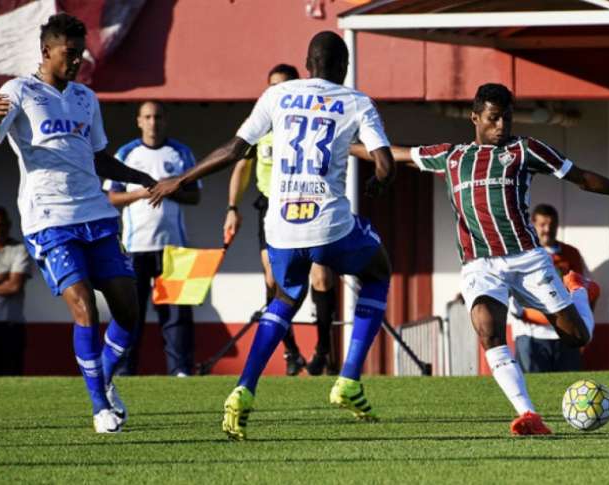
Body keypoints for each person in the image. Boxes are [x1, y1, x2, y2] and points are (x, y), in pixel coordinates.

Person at [351, 83, 609, 435]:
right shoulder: (452, 156)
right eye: (494, 118)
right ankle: (529, 415)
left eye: (507, 119)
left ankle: (579, 290)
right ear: (475, 118)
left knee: (577, 337)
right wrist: (344, 146)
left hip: (528, 259)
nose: (502, 126)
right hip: (480, 265)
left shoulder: (525, 150)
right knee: (487, 330)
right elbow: (395, 153)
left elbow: (582, 179)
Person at [149, 31, 396, 441]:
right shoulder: (356, 101)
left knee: (284, 298)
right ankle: (349, 380)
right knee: (378, 270)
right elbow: (385, 163)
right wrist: (380, 183)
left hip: (280, 225)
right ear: (343, 67)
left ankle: (243, 390)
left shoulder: (277, 95)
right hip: (329, 221)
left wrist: (183, 178)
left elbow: (234, 150)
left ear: (307, 62)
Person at [0, 13, 156, 433]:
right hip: (48, 219)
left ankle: (104, 377)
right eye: (69, 53)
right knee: (83, 307)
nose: (78, 60)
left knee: (128, 310)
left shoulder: (85, 98)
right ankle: (101, 408)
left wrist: (143, 177)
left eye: (80, 53)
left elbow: (97, 156)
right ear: (46, 51)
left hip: (96, 216)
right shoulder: (18, 91)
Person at [226, 64, 338, 376]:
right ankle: (290, 351)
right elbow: (240, 166)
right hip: (271, 207)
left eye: (284, 85)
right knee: (274, 280)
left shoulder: (310, 122)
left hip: (308, 202)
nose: (278, 91)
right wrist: (232, 208)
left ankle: (324, 348)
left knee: (321, 278)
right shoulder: (260, 123)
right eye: (272, 85)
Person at [103, 100, 201, 377]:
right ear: (139, 121)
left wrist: (169, 190)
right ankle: (124, 369)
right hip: (134, 247)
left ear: (165, 120)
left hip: (176, 246)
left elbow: (196, 195)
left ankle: (180, 370)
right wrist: (142, 193)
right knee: (130, 311)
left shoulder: (181, 153)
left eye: (158, 117)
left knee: (177, 313)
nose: (153, 122)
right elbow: (110, 197)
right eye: (147, 117)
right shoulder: (126, 153)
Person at [509, 204, 600, 373]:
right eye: (542, 225)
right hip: (532, 335)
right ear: (532, 224)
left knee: (568, 387)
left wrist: (584, 327)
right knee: (534, 388)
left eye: (552, 225)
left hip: (567, 334)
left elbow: (587, 291)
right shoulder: (521, 253)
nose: (547, 230)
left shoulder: (571, 254)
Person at [0, 206, 31, 375]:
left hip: (11, 325)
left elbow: (14, 286)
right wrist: (1, 277)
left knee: (12, 376)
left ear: (9, 225)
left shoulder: (20, 249)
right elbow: (8, 282)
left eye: (0, 225)